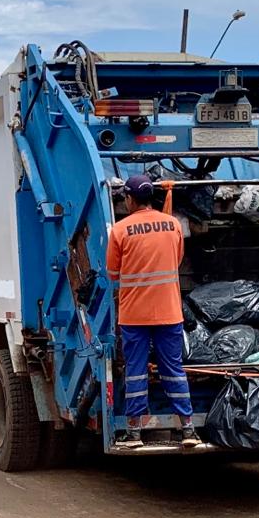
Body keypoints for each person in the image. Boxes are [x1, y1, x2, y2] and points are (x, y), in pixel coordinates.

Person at [106, 174, 200, 449]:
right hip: (169, 312)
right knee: (174, 370)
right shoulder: (172, 226)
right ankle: (188, 430)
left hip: (135, 315)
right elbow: (177, 261)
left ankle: (134, 433)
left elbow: (113, 274)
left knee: (135, 371)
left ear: (130, 199)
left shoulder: (120, 231)